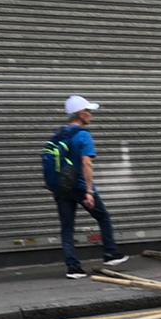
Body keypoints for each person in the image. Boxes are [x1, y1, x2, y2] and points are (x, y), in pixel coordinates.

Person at [50, 95, 129, 279]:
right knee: (103, 216)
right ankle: (110, 253)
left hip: (61, 187)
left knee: (67, 228)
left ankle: (73, 268)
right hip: (79, 186)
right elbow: (87, 164)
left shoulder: (58, 134)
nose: (91, 115)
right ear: (80, 114)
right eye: (89, 111)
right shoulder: (83, 135)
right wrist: (89, 190)